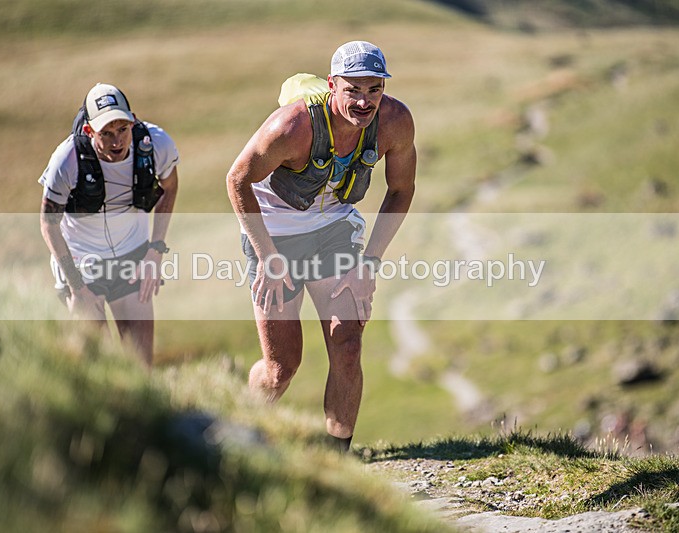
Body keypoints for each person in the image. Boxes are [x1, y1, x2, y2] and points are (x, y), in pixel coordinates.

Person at [226, 41, 416, 452]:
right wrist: (267, 258)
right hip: (274, 233)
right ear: (333, 86)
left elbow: (401, 190)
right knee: (281, 367)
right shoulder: (292, 127)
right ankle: (235, 436)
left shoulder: (395, 122)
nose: (364, 102)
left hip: (334, 229)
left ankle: (338, 459)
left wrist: (369, 263)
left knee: (348, 345)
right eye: (353, 90)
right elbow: (237, 180)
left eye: (374, 89)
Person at [39, 83, 179, 366]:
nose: (117, 141)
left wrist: (156, 249)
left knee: (141, 367)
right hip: (81, 264)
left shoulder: (156, 145)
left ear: (133, 121)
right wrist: (76, 286)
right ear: (90, 131)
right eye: (106, 133)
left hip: (132, 256)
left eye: (123, 130)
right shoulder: (67, 160)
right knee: (102, 366)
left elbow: (170, 187)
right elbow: (48, 223)